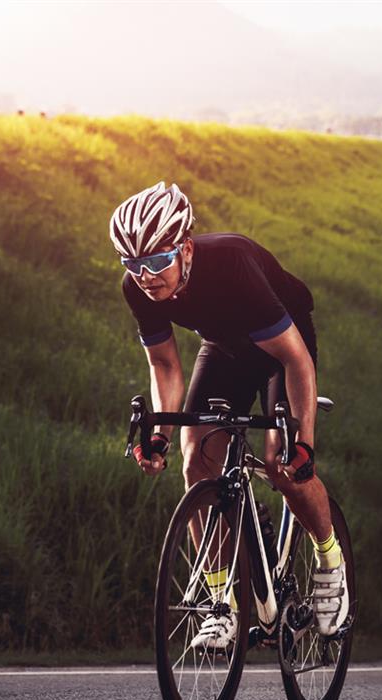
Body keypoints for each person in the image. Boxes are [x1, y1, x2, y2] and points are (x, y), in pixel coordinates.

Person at [111, 181, 346, 649]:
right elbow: (164, 365)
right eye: (133, 264)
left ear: (186, 249)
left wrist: (306, 444)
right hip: (224, 346)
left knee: (284, 465)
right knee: (195, 456)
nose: (146, 276)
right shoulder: (137, 288)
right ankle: (221, 606)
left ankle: (330, 561)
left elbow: (295, 361)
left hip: (282, 344)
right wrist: (157, 433)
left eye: (157, 261)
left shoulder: (233, 265)